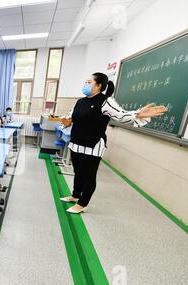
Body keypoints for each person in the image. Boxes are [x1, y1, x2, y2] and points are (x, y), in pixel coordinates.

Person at [59, 72, 168, 214]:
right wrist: (66, 121)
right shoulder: (80, 101)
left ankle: (83, 203)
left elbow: (121, 115)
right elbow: (71, 117)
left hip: (92, 145)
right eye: (85, 82)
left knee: (88, 176)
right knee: (78, 172)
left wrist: (138, 114)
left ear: (98, 86)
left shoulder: (106, 101)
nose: (85, 85)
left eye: (89, 82)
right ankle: (75, 195)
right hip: (76, 143)